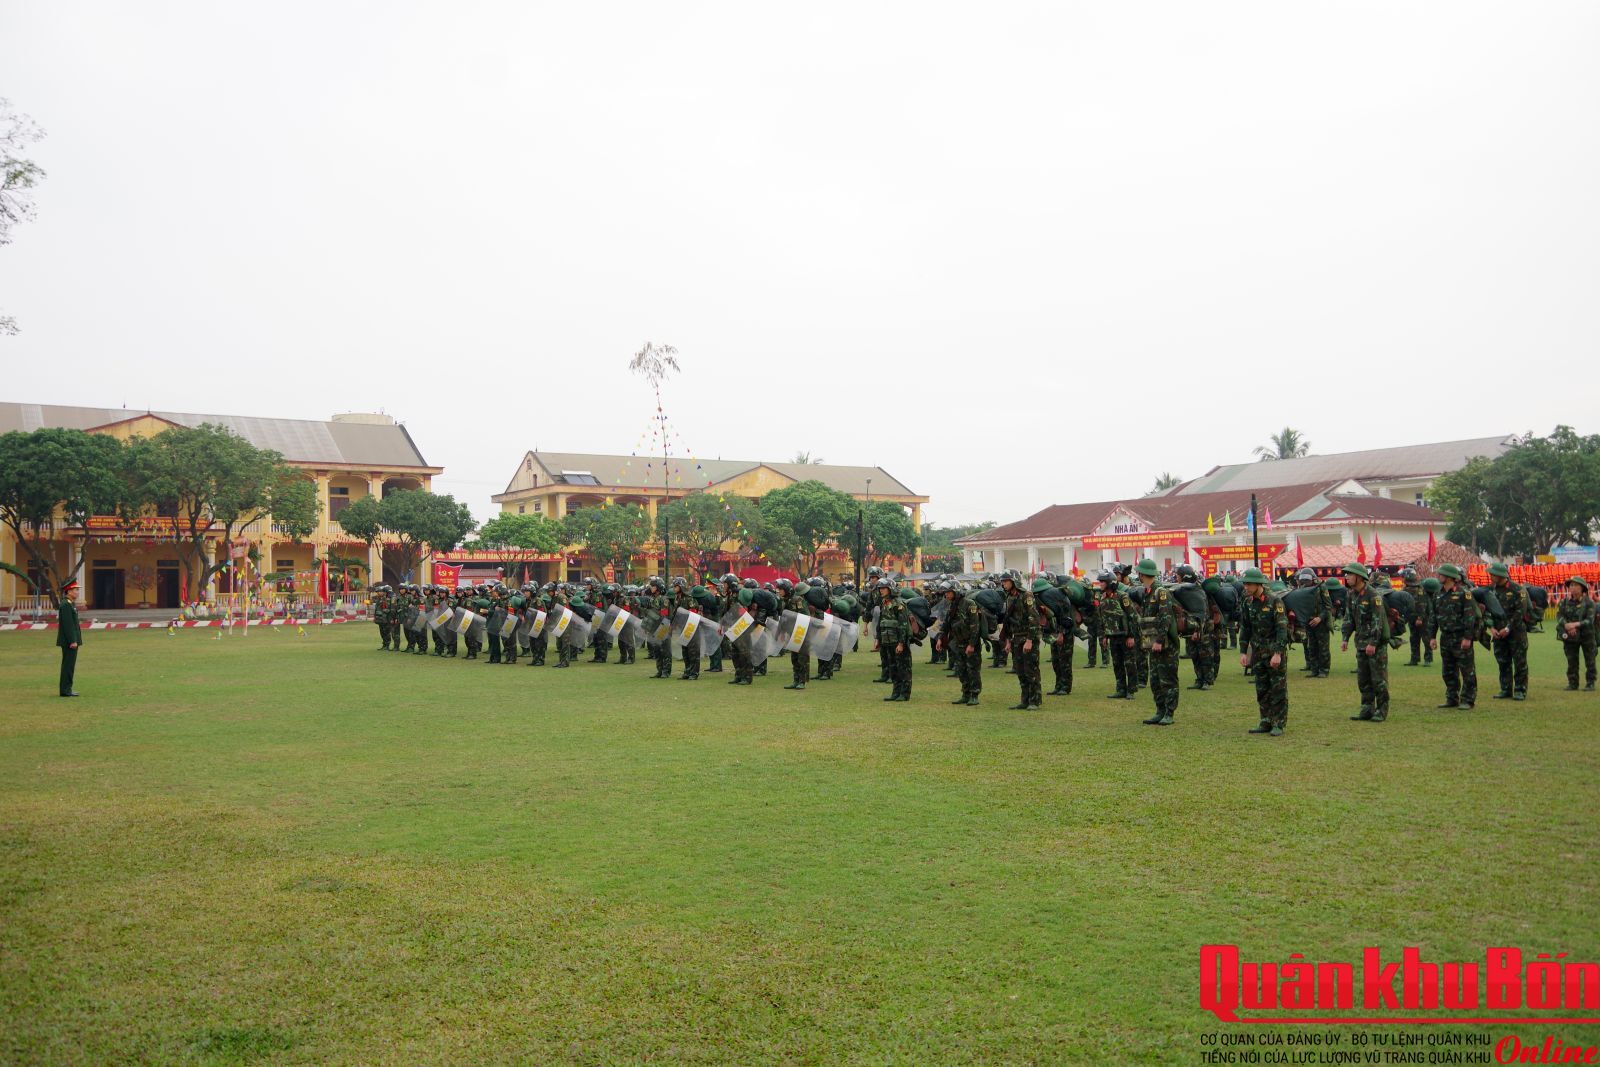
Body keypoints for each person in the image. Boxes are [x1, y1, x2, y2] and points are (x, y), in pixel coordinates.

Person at [1236, 568, 1287, 735]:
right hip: (1257, 652)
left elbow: (1281, 629)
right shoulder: (1248, 602)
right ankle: (1265, 720)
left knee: (1277, 688)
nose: (1246, 587)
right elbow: (1245, 628)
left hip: (1273, 651)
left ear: (1259, 584)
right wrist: (1244, 652)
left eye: (1249, 583)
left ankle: (1278, 723)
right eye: (1244, 583)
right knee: (1262, 687)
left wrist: (1278, 653)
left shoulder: (1274, 601)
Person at [1340, 563, 1391, 722]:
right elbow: (1348, 618)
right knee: (1363, 679)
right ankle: (1367, 709)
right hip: (1360, 643)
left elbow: (1378, 622)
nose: (1346, 577)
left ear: (1359, 577)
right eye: (1346, 574)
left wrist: (1373, 643)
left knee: (1378, 679)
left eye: (1349, 574)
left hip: (1374, 645)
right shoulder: (1351, 595)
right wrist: (1345, 637)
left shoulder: (1373, 595)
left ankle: (1381, 711)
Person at [1134, 559, 1179, 725]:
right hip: (1153, 644)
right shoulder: (1147, 592)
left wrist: (1159, 640)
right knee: (1155, 680)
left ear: (1143, 574)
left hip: (1166, 645)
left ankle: (1169, 712)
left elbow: (1165, 617)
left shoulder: (1161, 592)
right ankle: (1160, 710)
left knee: (1168, 679)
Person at [1431, 563, 1479, 710]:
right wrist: (1432, 636)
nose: (1438, 576)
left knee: (1467, 670)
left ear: (1450, 577)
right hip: (1445, 637)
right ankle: (1452, 698)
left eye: (1441, 574)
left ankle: (1468, 699)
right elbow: (1434, 617)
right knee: (1448, 670)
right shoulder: (1438, 593)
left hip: (1460, 637)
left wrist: (1467, 637)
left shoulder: (1464, 593)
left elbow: (1470, 617)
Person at [1487, 562, 1531, 701]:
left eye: (1493, 573)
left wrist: (1508, 628)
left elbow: (1520, 612)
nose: (1490, 575)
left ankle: (1520, 690)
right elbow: (1487, 611)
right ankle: (1505, 689)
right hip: (1498, 634)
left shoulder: (1518, 590)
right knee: (1503, 662)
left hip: (1516, 633)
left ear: (1501, 575)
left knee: (1519, 662)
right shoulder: (1490, 590)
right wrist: (1491, 627)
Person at [999, 571, 1041, 709]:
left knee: (1031, 670)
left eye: (1006, 581)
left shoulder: (1026, 595)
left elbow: (1034, 618)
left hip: (1028, 637)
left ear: (1013, 581)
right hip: (1016, 638)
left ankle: (1034, 701)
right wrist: (1009, 641)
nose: (1003, 584)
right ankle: (1025, 700)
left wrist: (1030, 640)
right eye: (1003, 581)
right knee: (1020, 670)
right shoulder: (1009, 597)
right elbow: (1009, 622)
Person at [873, 577, 912, 701]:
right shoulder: (884, 603)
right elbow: (881, 622)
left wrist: (901, 643)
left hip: (898, 641)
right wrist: (878, 639)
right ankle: (896, 692)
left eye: (883, 588)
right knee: (893, 668)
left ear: (890, 589)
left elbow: (903, 625)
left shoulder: (899, 604)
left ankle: (904, 694)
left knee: (903, 668)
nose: (881, 591)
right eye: (880, 589)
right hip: (887, 641)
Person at [945, 581, 983, 706]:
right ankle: (965, 694)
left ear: (955, 591)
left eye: (949, 592)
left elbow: (975, 626)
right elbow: (947, 624)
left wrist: (972, 644)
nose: (946, 595)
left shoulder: (969, 604)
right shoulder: (952, 605)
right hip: (958, 642)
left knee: (972, 670)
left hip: (970, 643)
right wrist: (941, 637)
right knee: (961, 670)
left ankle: (974, 695)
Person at [1556, 576, 1596, 691]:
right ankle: (1573, 683)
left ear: (1582, 588)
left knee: (1590, 659)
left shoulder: (1589, 603)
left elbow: (1589, 620)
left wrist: (1575, 625)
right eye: (1571, 585)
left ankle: (1590, 683)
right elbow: (1559, 615)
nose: (1572, 588)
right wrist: (1567, 625)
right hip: (1571, 636)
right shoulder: (1564, 602)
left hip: (1587, 636)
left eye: (1575, 585)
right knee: (1571, 660)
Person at [56, 579, 82, 697]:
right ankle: (65, 690)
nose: (78, 592)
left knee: (69, 665)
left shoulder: (69, 603)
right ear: (69, 591)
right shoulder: (66, 604)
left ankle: (67, 688)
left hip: (71, 640)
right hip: (69, 641)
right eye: (76, 590)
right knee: (68, 665)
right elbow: (68, 625)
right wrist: (73, 640)